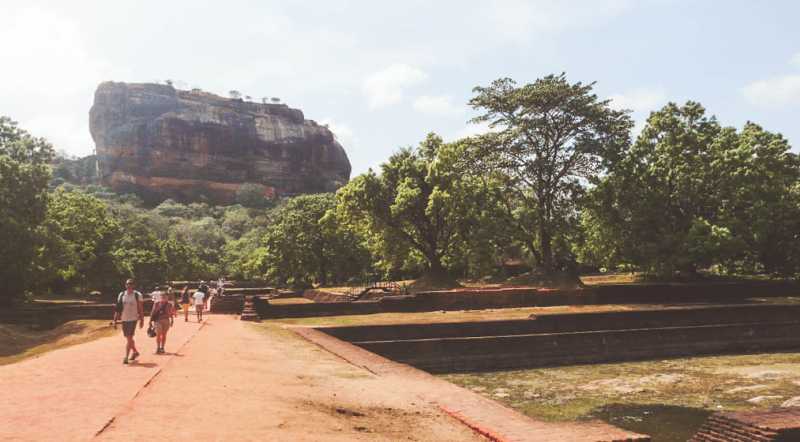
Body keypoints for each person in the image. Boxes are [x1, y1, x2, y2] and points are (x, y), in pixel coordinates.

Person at [113, 279, 144, 364]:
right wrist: (115, 320)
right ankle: (135, 352)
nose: (129, 286)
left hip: (133, 319)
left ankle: (126, 357)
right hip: (124, 318)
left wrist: (142, 320)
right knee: (128, 338)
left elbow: (140, 309)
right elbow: (118, 308)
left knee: (129, 337)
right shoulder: (122, 294)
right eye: (127, 284)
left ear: (133, 285)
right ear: (125, 285)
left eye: (131, 284)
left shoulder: (137, 295)